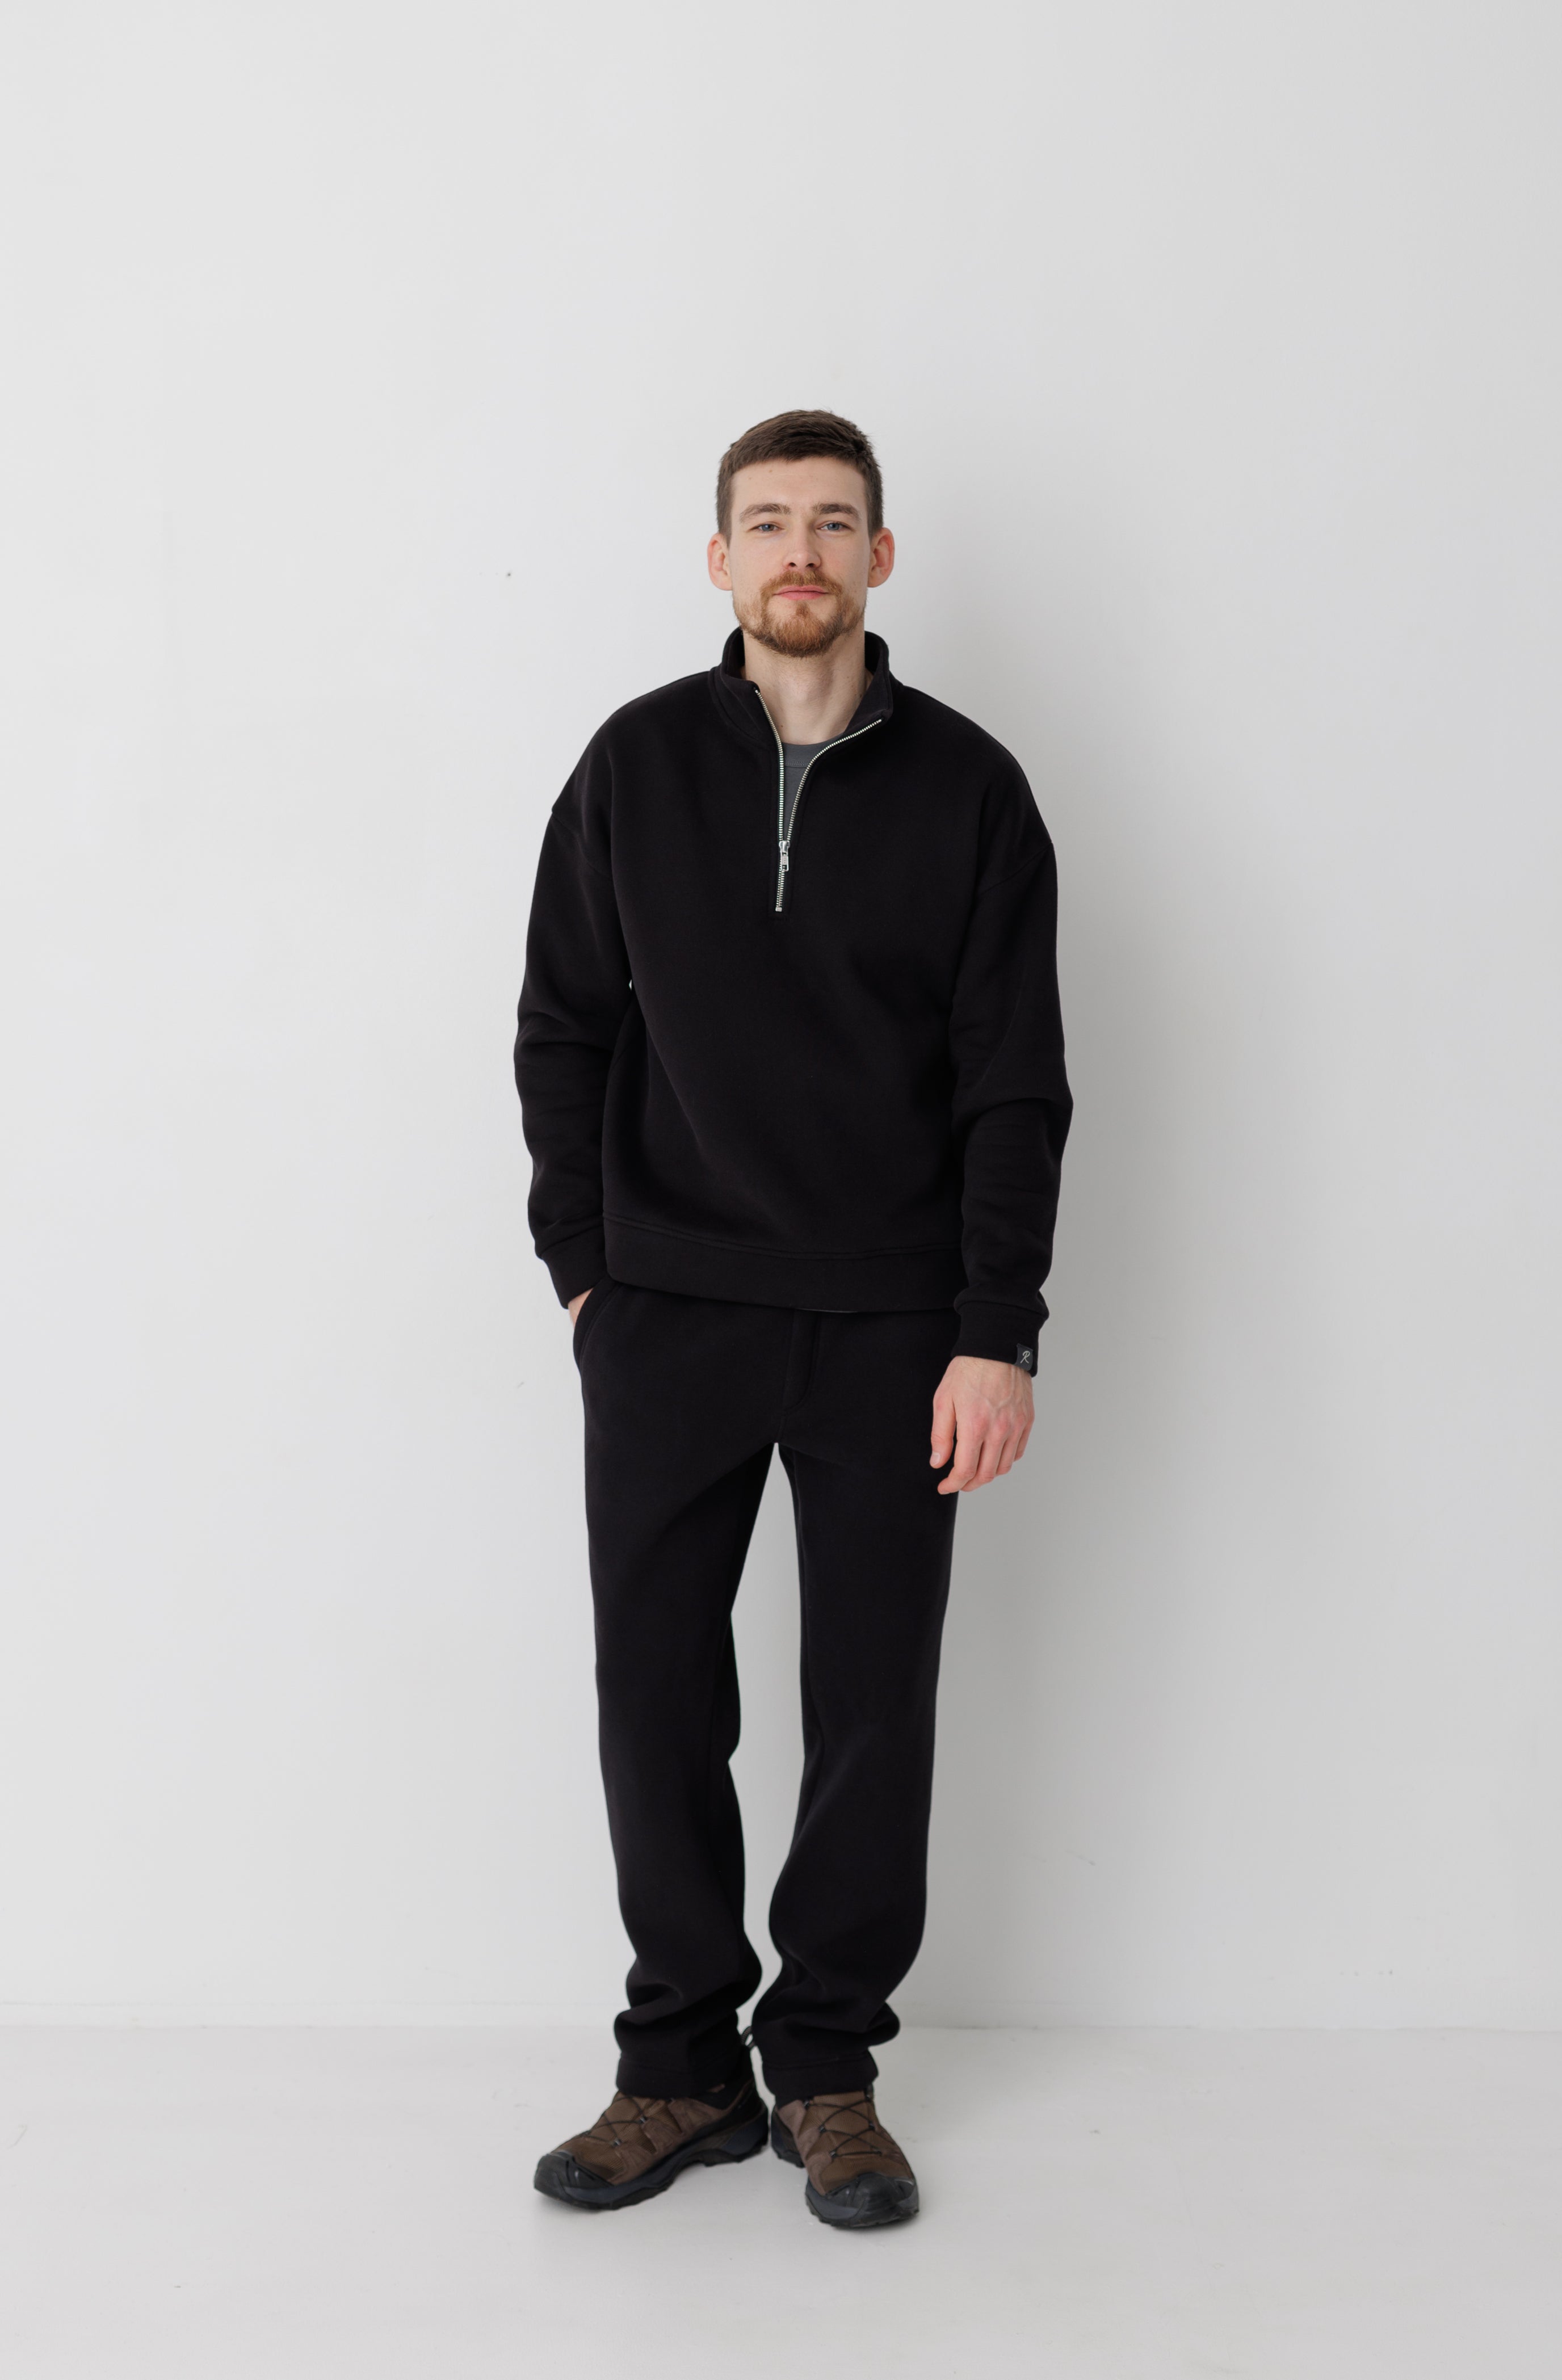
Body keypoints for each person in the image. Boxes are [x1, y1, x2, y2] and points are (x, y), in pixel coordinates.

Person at [514, 409, 1072, 2227]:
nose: (800, 552)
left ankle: (825, 2065)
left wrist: (995, 1327)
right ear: (721, 560)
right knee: (656, 1693)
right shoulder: (634, 762)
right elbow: (562, 1023)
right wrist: (584, 1265)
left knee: (870, 1704)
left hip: (895, 1322)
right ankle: (678, 2066)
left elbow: (1014, 1079)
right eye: (766, 523)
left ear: (879, 559)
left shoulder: (970, 788)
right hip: (667, 1309)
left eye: (833, 523)